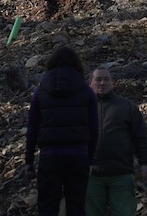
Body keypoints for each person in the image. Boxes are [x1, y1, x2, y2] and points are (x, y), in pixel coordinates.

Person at [25, 46, 99, 216]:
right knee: (77, 204)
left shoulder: (40, 91)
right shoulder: (86, 91)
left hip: (50, 155)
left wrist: (29, 160)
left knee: (47, 205)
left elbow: (32, 127)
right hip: (78, 154)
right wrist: (90, 158)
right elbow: (94, 128)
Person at [86, 67, 147, 216]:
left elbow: (141, 136)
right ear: (90, 83)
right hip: (91, 176)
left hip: (121, 174)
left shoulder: (126, 107)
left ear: (112, 83)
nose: (102, 83)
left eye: (106, 79)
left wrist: (146, 162)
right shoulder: (82, 108)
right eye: (98, 79)